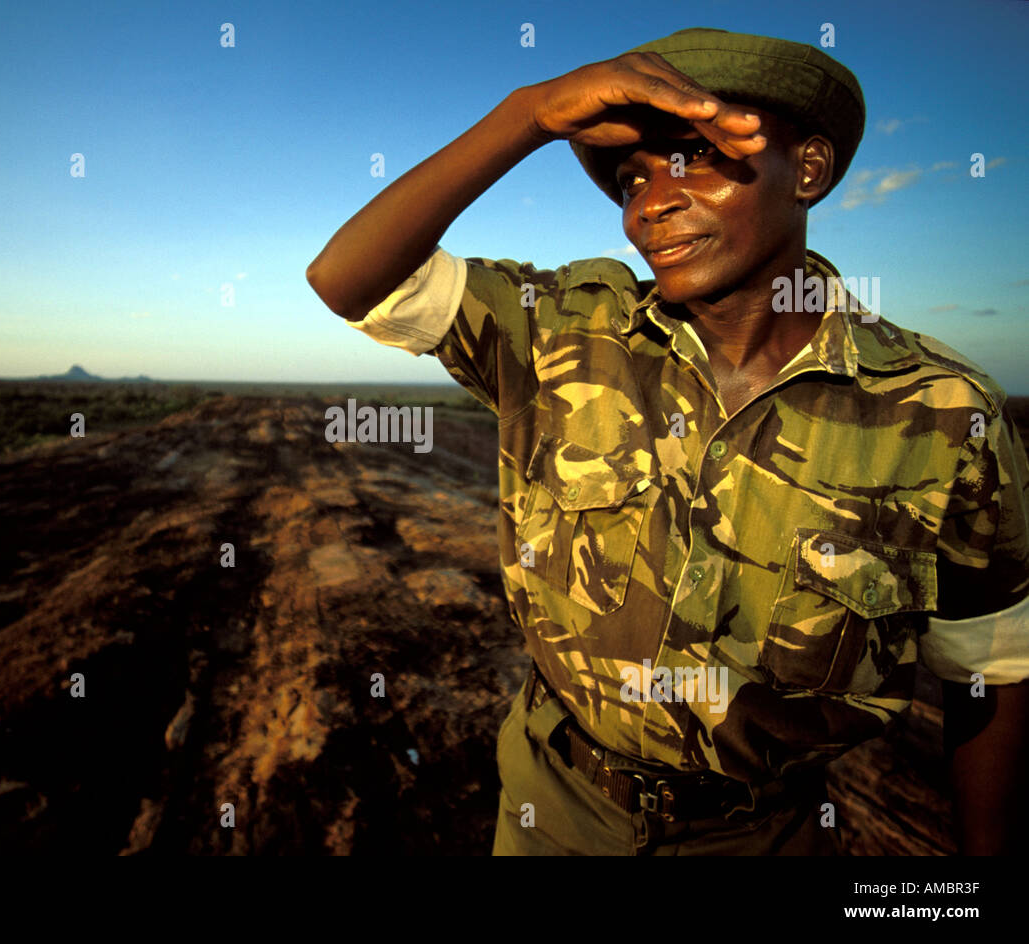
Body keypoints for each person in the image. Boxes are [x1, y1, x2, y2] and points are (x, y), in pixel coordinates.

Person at [305, 27, 1029, 855]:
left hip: (766, 835)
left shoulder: (939, 412)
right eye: (632, 179)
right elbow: (349, 278)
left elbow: (992, 670)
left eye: (695, 158)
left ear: (809, 169)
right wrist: (529, 113)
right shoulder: (563, 333)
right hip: (558, 814)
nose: (651, 202)